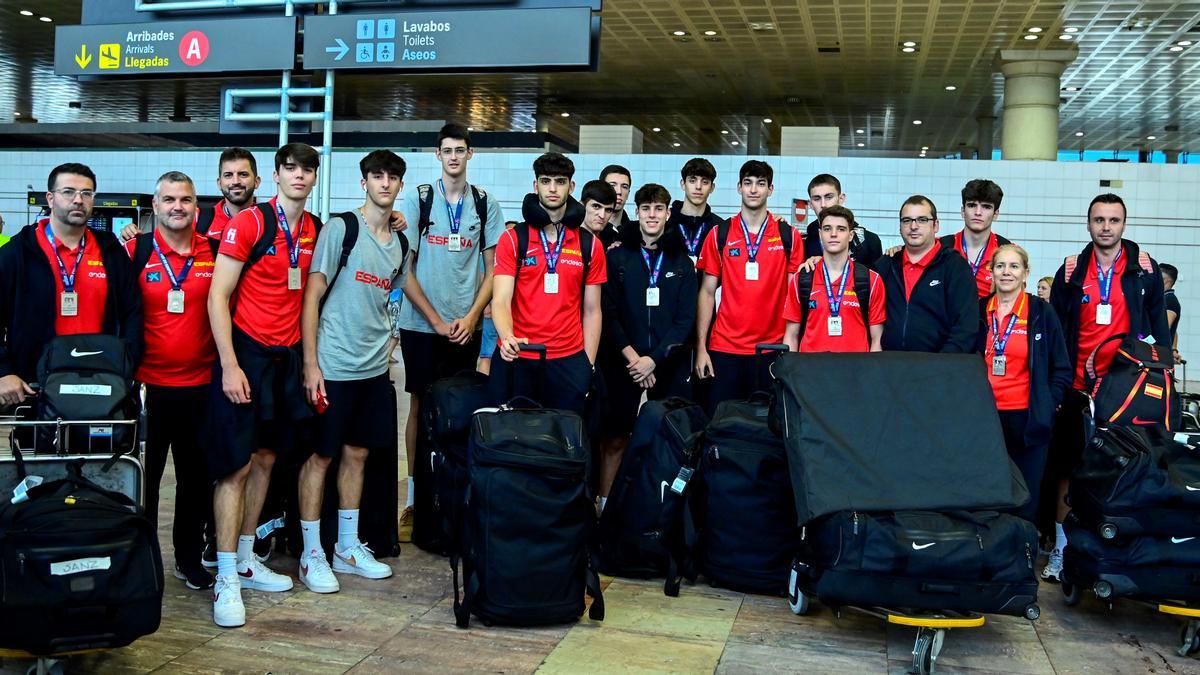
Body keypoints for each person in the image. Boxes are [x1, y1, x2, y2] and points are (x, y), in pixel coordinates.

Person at [206, 143, 323, 628]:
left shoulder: (315, 228)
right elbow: (218, 296)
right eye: (290, 168)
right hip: (247, 354)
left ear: (315, 177)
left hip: (286, 358)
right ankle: (226, 576)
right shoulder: (251, 223)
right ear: (273, 176)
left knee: (269, 458)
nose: (298, 176)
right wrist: (230, 365)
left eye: (306, 169)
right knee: (235, 467)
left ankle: (249, 558)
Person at [297, 150, 410, 593]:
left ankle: (346, 546)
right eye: (377, 176)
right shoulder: (340, 228)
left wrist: (391, 343)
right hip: (333, 364)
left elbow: (394, 298)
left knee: (358, 455)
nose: (385, 183)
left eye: (392, 177)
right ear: (364, 182)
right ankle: (311, 554)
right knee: (321, 456)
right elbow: (312, 296)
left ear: (400, 184)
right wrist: (311, 364)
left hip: (372, 370)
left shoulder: (400, 243)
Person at [1043, 193, 1171, 582]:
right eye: (1099, 220)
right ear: (1088, 225)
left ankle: (1116, 552)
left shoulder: (1143, 270)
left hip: (1125, 392)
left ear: (1123, 225)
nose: (1106, 227)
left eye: (1113, 220)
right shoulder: (1071, 271)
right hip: (1079, 389)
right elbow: (1059, 328)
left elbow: (1157, 329)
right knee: (1068, 469)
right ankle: (1062, 551)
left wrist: (1160, 377)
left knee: (1122, 471)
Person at [397, 123, 504, 542]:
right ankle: (413, 496)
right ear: (437, 155)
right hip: (422, 325)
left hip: (466, 325)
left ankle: (455, 489)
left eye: (460, 150)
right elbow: (403, 268)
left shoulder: (484, 203)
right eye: (447, 150)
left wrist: (473, 316)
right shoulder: (419, 199)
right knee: (420, 406)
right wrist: (437, 321)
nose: (454, 157)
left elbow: (495, 268)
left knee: (463, 408)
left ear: (470, 155)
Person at [123, 171, 218, 591]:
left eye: (185, 200)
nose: (177, 207)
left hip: (200, 386)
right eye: (168, 200)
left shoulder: (215, 252)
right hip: (146, 389)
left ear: (196, 207)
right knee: (142, 482)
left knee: (195, 481)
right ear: (155, 207)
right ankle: (138, 562)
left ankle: (188, 558)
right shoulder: (134, 250)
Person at [0, 163, 142, 409]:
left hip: (102, 384)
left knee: (100, 448)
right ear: (50, 198)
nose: (78, 200)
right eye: (69, 192)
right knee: (41, 448)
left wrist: (127, 363)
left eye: (87, 193)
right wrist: (3, 371)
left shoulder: (110, 252)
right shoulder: (17, 254)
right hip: (35, 388)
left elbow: (134, 312)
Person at [597, 183, 697, 502]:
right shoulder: (618, 257)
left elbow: (685, 320)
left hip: (666, 363)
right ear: (636, 212)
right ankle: (605, 506)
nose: (652, 215)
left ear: (668, 213)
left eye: (658, 209)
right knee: (614, 437)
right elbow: (609, 314)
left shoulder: (682, 262)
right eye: (645, 208)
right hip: (623, 361)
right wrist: (633, 358)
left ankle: (663, 510)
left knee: (671, 438)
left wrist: (653, 359)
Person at [489, 152, 606, 414]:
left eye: (560, 181)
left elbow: (592, 309)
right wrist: (507, 336)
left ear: (571, 187)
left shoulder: (590, 245)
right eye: (545, 181)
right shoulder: (513, 239)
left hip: (568, 361)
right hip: (518, 357)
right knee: (510, 445)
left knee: (564, 444)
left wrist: (587, 363)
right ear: (535, 186)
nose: (552, 188)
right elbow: (501, 300)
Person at [694, 160, 801, 413]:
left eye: (760, 184)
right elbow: (707, 293)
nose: (754, 190)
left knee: (768, 428)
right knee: (721, 424)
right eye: (748, 183)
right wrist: (701, 348)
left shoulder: (789, 236)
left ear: (770, 190)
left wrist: (790, 348)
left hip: (772, 349)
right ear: (739, 188)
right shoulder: (720, 233)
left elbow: (792, 298)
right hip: (724, 348)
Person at [976, 244, 1071, 523]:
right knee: (988, 494)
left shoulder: (1041, 312)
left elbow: (1061, 368)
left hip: (1028, 419)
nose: (1007, 272)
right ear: (991, 271)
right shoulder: (980, 311)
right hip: (986, 419)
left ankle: (1023, 560)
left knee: (1026, 497)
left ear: (1025, 273)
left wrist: (1047, 405)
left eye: (1014, 266)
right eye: (1000, 266)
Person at [874, 195, 978, 353]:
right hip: (890, 366)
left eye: (922, 220)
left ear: (936, 225)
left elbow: (966, 326)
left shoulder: (955, 267)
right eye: (907, 220)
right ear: (900, 226)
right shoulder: (886, 265)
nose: (913, 226)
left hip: (938, 368)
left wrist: (942, 365)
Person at [783, 205, 886, 353]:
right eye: (827, 229)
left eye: (841, 229)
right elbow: (791, 335)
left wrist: (871, 374)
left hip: (855, 372)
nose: (833, 234)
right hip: (810, 371)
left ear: (850, 235)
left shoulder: (871, 280)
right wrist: (790, 372)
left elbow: (877, 339)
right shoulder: (801, 279)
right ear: (820, 234)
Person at [119, 147, 262, 244]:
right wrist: (132, 237)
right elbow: (161, 247)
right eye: (228, 175)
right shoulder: (197, 218)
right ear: (219, 183)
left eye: (243, 175)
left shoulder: (269, 222)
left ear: (256, 182)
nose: (235, 181)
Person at [940, 179, 1013, 298]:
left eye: (986, 207)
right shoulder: (940, 247)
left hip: (988, 316)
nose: (978, 212)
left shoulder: (1009, 251)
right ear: (963, 211)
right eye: (972, 205)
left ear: (996, 214)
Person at [803, 174, 883, 268]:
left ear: (841, 199)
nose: (823, 204)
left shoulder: (870, 241)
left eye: (829, 197)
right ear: (810, 204)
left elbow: (877, 280)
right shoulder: (803, 242)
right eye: (817, 199)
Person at [477, 220, 520, 376]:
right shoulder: (488, 259)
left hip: (511, 316)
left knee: (507, 355)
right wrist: (486, 309)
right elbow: (484, 282)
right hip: (490, 316)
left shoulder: (520, 256)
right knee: (487, 355)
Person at [668, 158, 727, 265]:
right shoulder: (666, 221)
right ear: (683, 184)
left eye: (705, 182)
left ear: (712, 188)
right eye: (692, 180)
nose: (698, 187)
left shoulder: (720, 227)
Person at [598, 164, 634, 247]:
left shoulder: (634, 232)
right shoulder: (586, 229)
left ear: (629, 192)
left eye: (624, 187)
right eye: (612, 185)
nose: (619, 191)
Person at [1162, 263, 1182, 362]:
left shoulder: (1170, 300)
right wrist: (1174, 349)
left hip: (1160, 354)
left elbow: (1165, 326)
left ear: (1165, 281)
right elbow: (1174, 331)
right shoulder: (1163, 298)